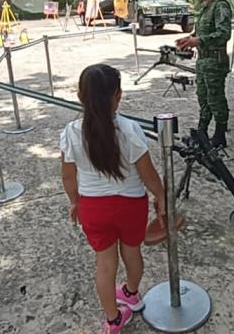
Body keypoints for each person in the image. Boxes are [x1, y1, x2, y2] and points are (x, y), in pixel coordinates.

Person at [60, 64, 166, 334]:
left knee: (105, 264)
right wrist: (162, 196)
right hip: (131, 205)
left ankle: (113, 320)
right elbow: (148, 174)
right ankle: (131, 293)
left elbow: (68, 176)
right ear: (119, 95)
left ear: (80, 96)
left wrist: (75, 201)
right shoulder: (130, 130)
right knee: (132, 252)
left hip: (93, 207)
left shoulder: (71, 133)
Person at [176, 0, 233, 148]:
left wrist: (198, 40)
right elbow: (201, 33)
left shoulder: (220, 6)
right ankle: (202, 131)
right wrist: (189, 39)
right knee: (203, 97)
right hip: (203, 61)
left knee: (216, 99)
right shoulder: (205, 7)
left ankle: (220, 134)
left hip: (215, 62)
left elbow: (223, 34)